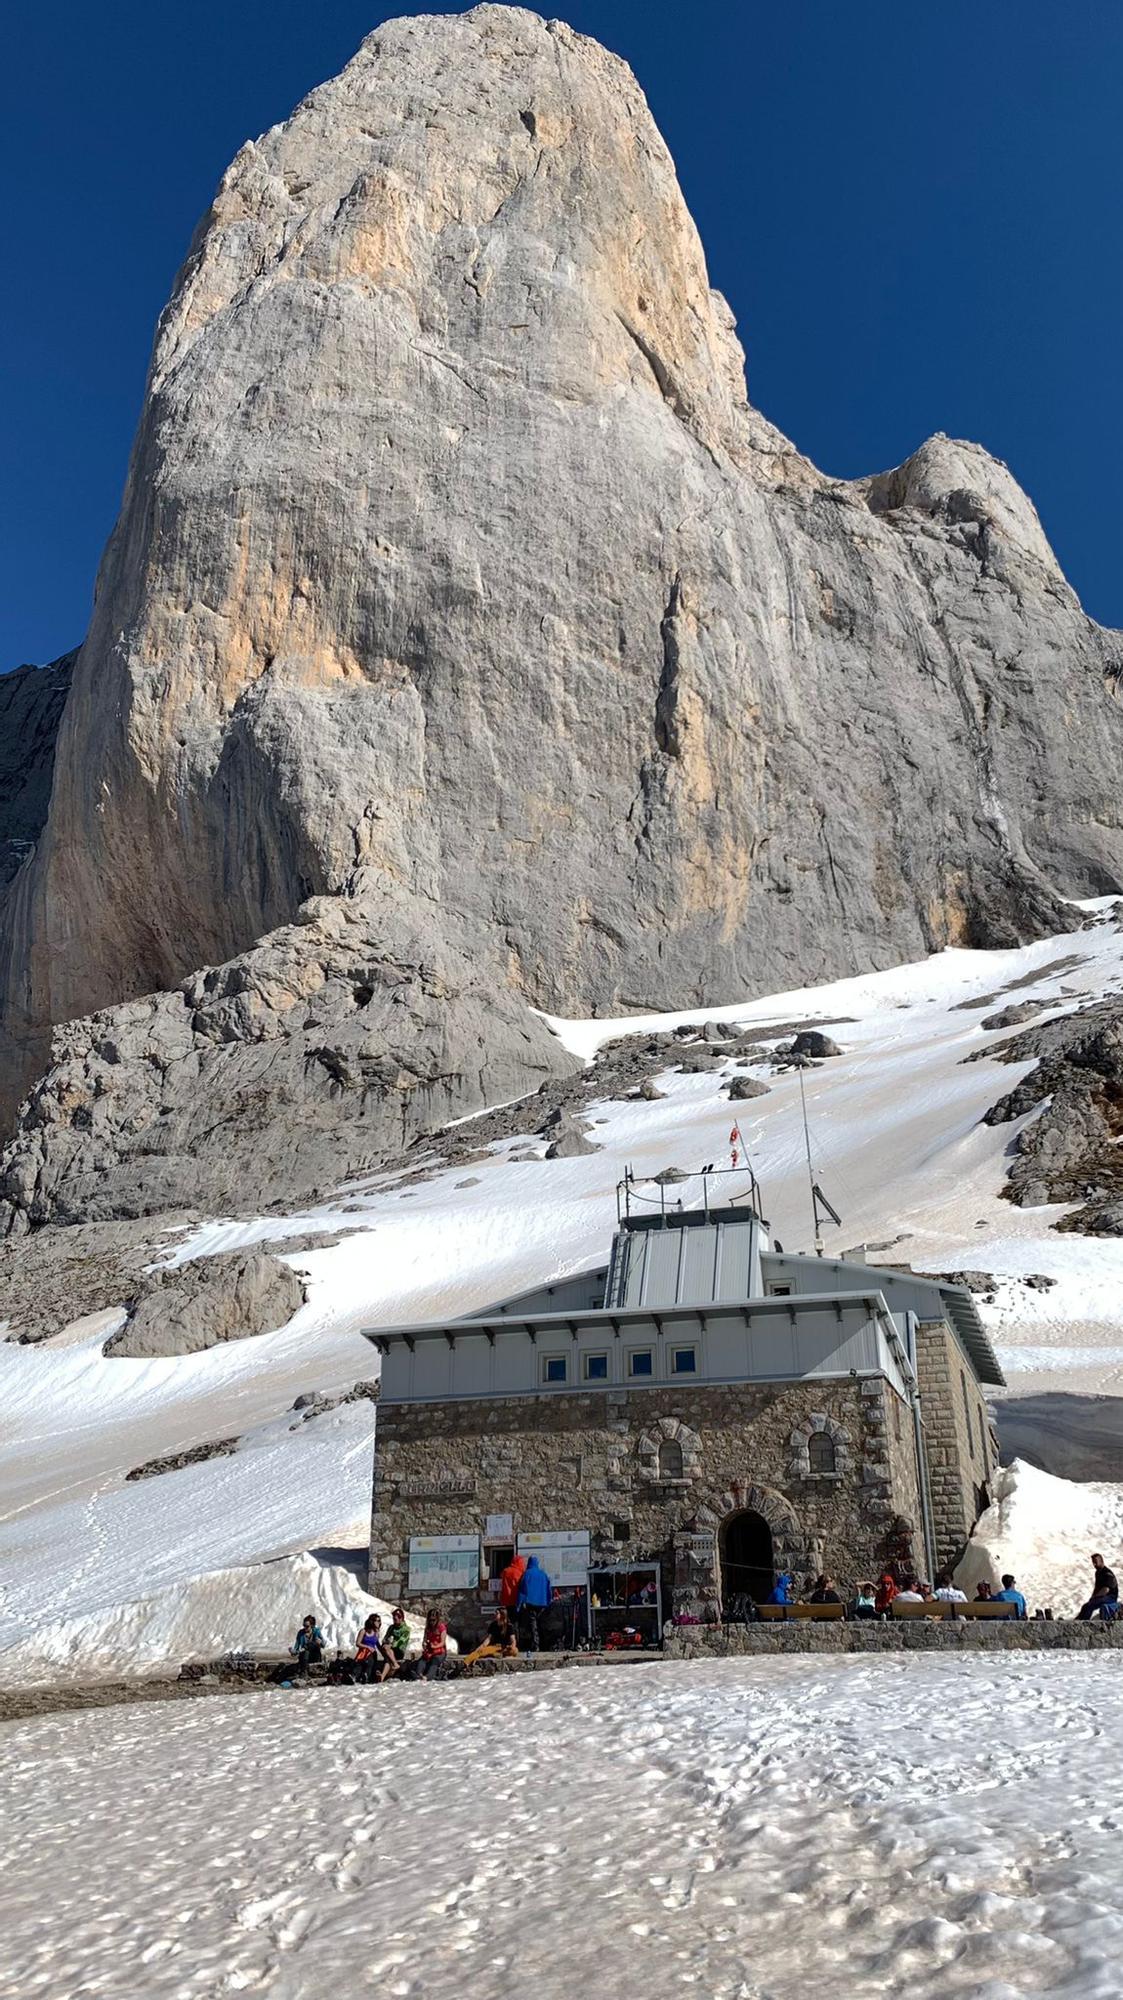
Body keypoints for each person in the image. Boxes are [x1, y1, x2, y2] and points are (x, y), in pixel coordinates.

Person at [516, 1554, 552, 1652]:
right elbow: (549, 1589)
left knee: (533, 1624)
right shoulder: (543, 1574)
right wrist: (549, 1601)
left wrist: (519, 1604)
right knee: (541, 1623)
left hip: (530, 1603)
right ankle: (545, 1644)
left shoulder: (526, 1574)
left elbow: (522, 1590)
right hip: (542, 1603)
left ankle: (535, 1645)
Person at [1076, 1553, 1119, 1622]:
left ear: (1101, 1561)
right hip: (1102, 1596)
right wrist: (1092, 1597)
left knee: (1091, 1604)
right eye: (1093, 1562)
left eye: (1096, 1561)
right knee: (1086, 1606)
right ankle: (1078, 1620)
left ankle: (1084, 1622)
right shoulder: (1098, 1573)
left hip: (1110, 1597)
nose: (1094, 1564)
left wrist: (1095, 1597)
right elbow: (1097, 1588)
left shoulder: (1107, 1573)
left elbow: (1106, 1590)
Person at [381, 1607, 412, 1678]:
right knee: (388, 1659)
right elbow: (385, 1638)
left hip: (399, 1650)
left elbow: (401, 1641)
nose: (395, 1619)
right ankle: (382, 1677)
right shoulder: (391, 1627)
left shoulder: (406, 1629)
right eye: (394, 1618)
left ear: (401, 1618)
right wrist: (385, 1642)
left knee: (388, 1652)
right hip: (389, 1649)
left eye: (397, 1617)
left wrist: (391, 1645)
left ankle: (395, 1664)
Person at [419, 1608, 449, 1679]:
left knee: (434, 1661)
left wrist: (434, 1647)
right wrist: (424, 1644)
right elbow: (424, 1640)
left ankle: (428, 1676)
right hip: (429, 1651)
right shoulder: (428, 1629)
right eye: (430, 1620)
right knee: (422, 1661)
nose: (432, 1622)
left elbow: (442, 1643)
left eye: (433, 1620)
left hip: (440, 1651)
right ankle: (419, 1674)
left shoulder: (441, 1627)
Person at [354, 1613, 385, 1681]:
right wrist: (367, 1647)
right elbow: (358, 1643)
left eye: (379, 1621)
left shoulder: (376, 1633)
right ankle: (356, 1676)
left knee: (370, 1662)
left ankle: (366, 1676)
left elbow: (377, 1644)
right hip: (363, 1653)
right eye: (377, 1621)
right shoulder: (363, 1631)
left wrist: (384, 1653)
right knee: (359, 1665)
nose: (379, 1623)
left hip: (372, 1653)